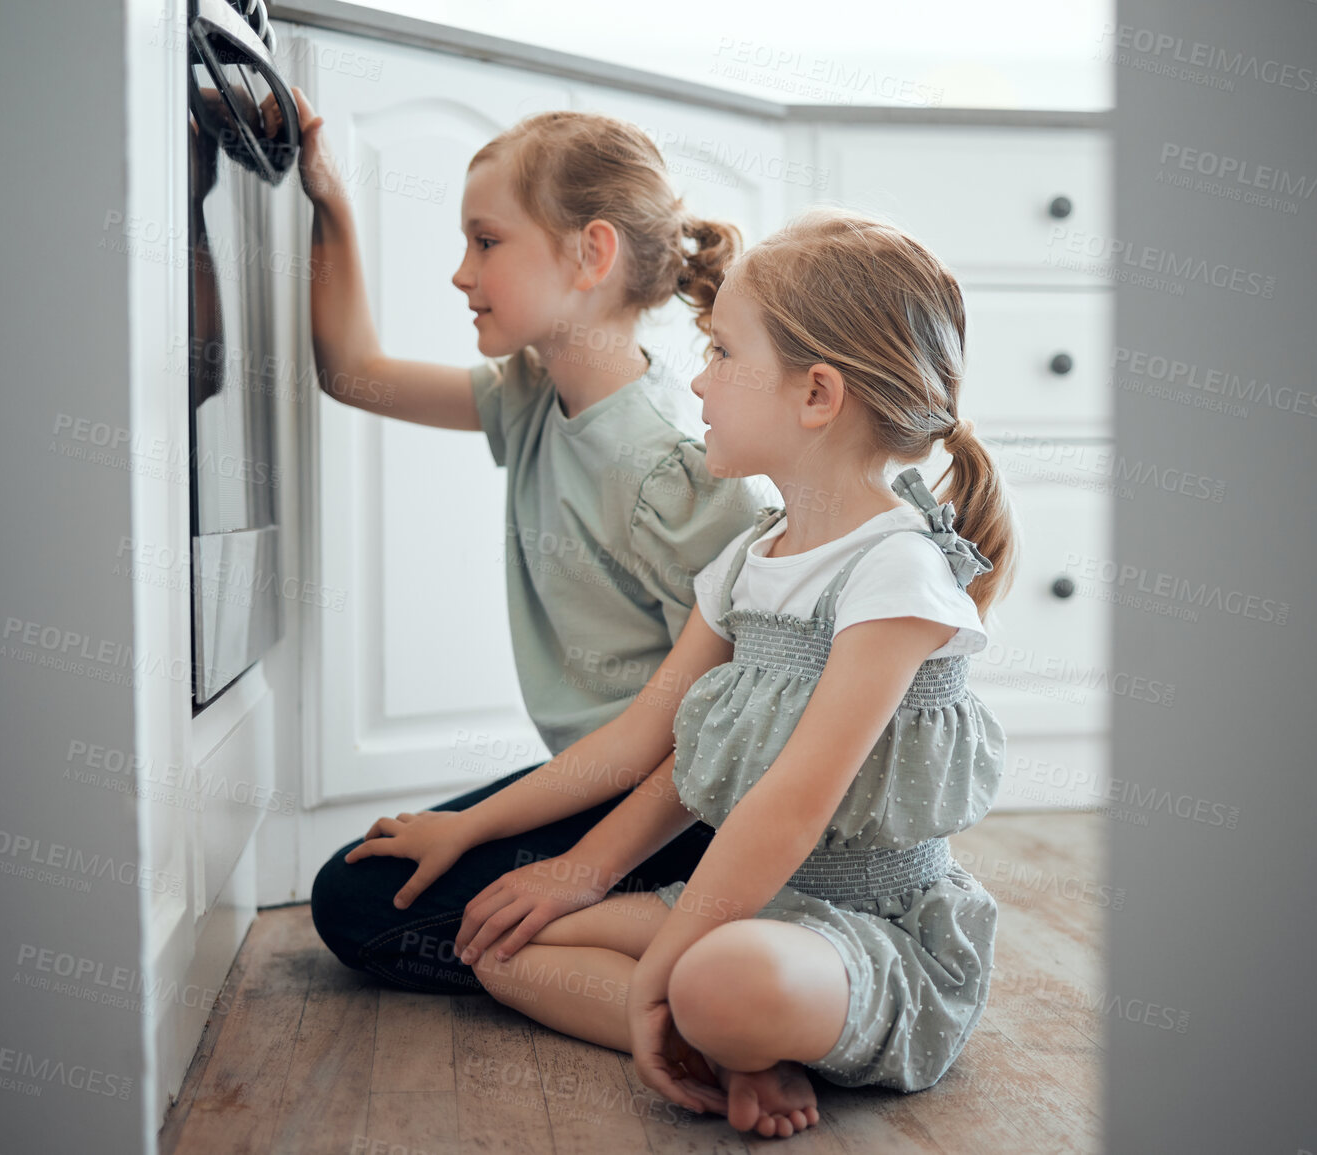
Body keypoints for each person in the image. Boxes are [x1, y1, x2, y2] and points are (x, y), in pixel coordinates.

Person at [356, 206, 1015, 1136]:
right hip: (757, 904)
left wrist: (664, 961)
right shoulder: (751, 556)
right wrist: (570, 872)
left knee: (714, 974)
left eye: (721, 353)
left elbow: (790, 804)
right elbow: (644, 739)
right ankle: (706, 1038)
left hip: (872, 931)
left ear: (815, 395)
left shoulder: (895, 572)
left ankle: (699, 1014)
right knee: (500, 942)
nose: (697, 381)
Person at [281, 87, 767, 993]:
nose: (461, 275)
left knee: (352, 908)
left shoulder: (673, 468)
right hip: (600, 778)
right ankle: (647, 950)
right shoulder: (531, 398)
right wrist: (329, 200)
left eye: (486, 241)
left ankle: (689, 956)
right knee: (363, 881)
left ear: (591, 253)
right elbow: (351, 372)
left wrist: (490, 832)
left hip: (688, 810)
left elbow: (718, 737)